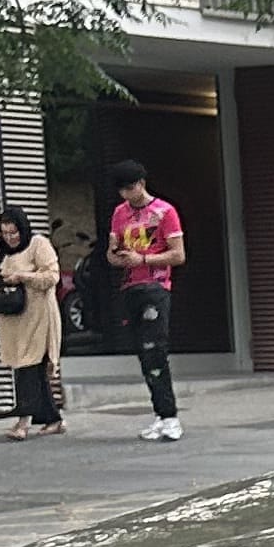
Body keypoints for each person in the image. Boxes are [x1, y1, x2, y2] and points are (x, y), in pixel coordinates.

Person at [105, 159, 186, 441]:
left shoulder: (164, 212)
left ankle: (170, 415)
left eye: (130, 189)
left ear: (141, 184)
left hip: (156, 285)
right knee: (142, 351)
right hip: (130, 287)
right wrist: (117, 255)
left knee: (155, 349)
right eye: (121, 191)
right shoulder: (119, 214)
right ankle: (160, 414)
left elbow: (178, 254)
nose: (126, 196)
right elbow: (110, 253)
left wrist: (144, 258)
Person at [0, 205, 65, 435]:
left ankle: (23, 422)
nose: (10, 238)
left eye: (14, 232)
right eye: (5, 233)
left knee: (28, 367)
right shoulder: (1, 252)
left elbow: (52, 276)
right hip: (14, 320)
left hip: (37, 317)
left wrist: (22, 277)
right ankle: (53, 419)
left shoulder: (38, 245)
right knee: (32, 369)